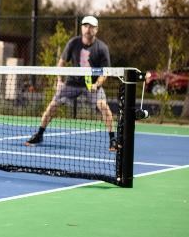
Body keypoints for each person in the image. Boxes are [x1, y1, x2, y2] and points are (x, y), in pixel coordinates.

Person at [25, 15, 119, 151]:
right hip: (71, 83)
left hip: (91, 85)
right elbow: (62, 62)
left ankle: (112, 140)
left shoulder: (102, 48)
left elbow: (105, 72)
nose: (88, 29)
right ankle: (39, 134)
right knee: (53, 105)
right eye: (86, 26)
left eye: (91, 27)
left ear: (96, 30)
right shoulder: (73, 43)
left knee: (103, 106)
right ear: (82, 28)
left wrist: (96, 85)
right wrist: (59, 80)